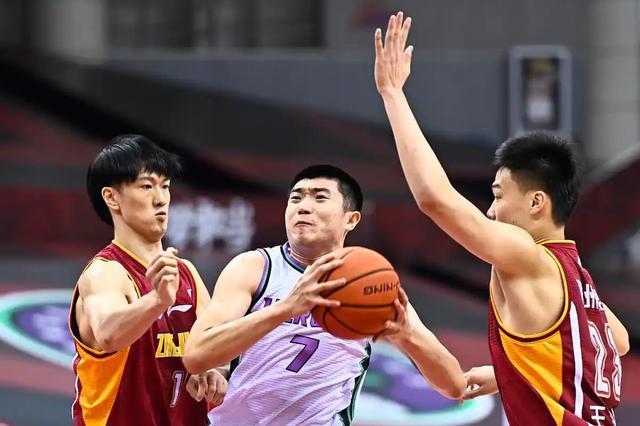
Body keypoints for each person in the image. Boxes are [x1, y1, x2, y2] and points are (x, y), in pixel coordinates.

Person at [374, 12, 630, 425]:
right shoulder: (577, 277)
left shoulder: (528, 255)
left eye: (497, 195)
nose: (490, 211)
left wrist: (392, 95)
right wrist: (510, 372)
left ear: (536, 203)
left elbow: (435, 200)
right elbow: (617, 341)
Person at [184, 164, 466, 425]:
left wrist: (407, 335)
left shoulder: (372, 287)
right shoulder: (254, 267)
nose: (303, 207)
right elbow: (197, 356)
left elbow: (454, 385)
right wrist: (285, 309)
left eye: (319, 198)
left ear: (351, 219)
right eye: (296, 198)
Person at [69, 135, 227, 425]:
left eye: (165, 186)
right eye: (146, 186)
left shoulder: (187, 273)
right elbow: (107, 335)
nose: (161, 198)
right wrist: (157, 300)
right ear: (111, 197)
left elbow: (217, 347)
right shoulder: (105, 273)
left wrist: (216, 372)